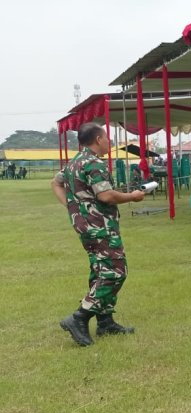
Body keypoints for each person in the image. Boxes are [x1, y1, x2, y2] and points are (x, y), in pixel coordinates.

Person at [50, 122, 145, 347]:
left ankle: (105, 321)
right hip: (99, 226)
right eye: (107, 138)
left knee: (99, 269)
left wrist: (73, 208)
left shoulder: (74, 163)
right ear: (98, 139)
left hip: (85, 226)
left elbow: (55, 183)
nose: (109, 142)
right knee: (115, 272)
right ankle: (79, 317)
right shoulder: (93, 163)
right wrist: (133, 196)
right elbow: (106, 196)